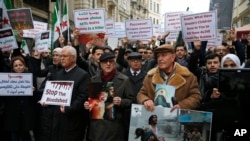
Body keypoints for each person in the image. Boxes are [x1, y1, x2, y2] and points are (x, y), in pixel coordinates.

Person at [36, 46, 90, 141]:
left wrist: (69, 108)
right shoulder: (58, 74)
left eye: (65, 56)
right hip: (56, 120)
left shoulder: (83, 75)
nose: (62, 58)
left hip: (72, 121)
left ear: (73, 58)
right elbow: (52, 92)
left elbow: (83, 96)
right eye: (61, 56)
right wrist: (46, 101)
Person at [84, 52, 134, 141]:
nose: (108, 64)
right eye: (105, 62)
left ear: (114, 64)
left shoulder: (124, 80)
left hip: (114, 127)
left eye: (111, 61)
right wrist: (87, 104)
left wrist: (121, 101)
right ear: (100, 64)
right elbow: (91, 99)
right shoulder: (94, 79)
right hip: (96, 126)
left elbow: (131, 100)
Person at [137, 44, 201, 112]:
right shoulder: (150, 76)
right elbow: (141, 94)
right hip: (155, 117)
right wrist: (146, 100)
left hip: (178, 118)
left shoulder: (188, 76)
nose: (160, 59)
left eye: (164, 55)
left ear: (173, 57)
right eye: (158, 56)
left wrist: (182, 105)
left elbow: (196, 96)